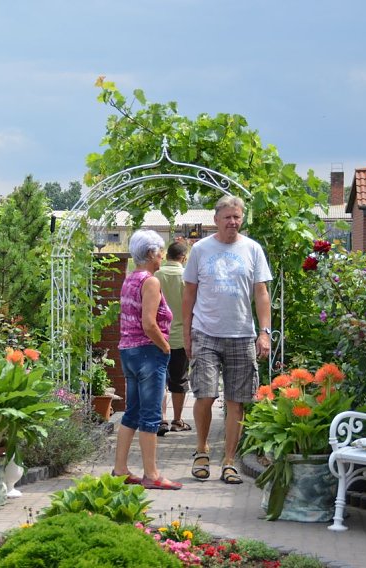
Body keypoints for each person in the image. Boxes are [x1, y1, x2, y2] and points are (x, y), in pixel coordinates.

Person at [183, 195, 272, 485]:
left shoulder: (252, 249)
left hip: (241, 334)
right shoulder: (200, 249)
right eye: (227, 217)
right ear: (216, 220)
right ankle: (201, 450)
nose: (233, 222)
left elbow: (261, 293)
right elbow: (189, 293)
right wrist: (186, 332)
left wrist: (264, 332)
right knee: (205, 395)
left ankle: (230, 461)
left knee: (237, 402)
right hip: (206, 332)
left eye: (237, 217)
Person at [111, 229, 182, 490]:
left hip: (128, 351)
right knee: (151, 416)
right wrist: (165, 347)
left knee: (133, 411)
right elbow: (150, 324)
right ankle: (151, 474)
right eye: (160, 251)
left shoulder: (130, 279)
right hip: (147, 352)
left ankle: (119, 469)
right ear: (151, 253)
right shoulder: (150, 281)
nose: (162, 255)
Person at [154, 240, 190, 436]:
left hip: (157, 335)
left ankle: (161, 419)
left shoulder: (155, 275)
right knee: (179, 379)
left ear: (167, 255)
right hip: (180, 336)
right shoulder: (186, 276)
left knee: (160, 377)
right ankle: (177, 420)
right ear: (183, 257)